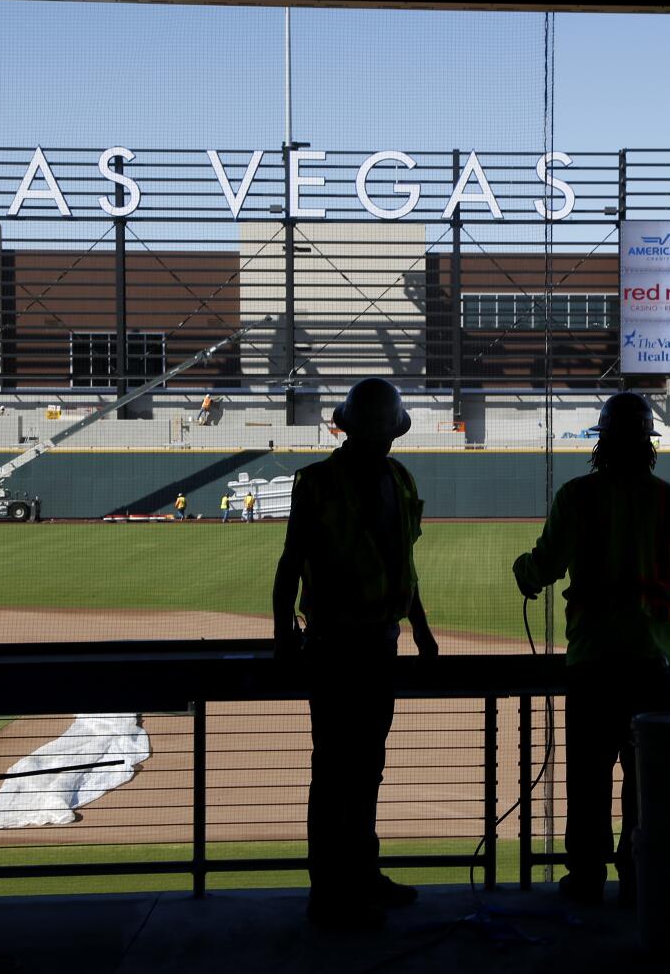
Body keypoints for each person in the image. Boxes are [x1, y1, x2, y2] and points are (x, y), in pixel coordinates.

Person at [513, 392, 670, 908]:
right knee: (645, 780)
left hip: (591, 663)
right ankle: (636, 875)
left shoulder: (576, 497)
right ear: (649, 445)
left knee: (588, 774)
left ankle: (585, 877)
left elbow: (547, 563)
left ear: (601, 442)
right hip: (652, 664)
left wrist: (526, 573)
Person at [272, 377, 439, 933]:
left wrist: (419, 630)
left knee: (363, 767)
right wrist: (284, 637)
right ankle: (330, 894)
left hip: (378, 644)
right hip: (336, 645)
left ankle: (359, 878)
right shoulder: (318, 483)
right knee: (338, 770)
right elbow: (293, 562)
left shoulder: (396, 479)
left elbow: (401, 569)